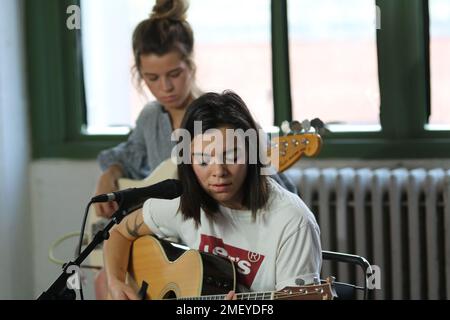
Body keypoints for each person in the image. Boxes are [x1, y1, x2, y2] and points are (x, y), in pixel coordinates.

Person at [104, 91, 322, 300]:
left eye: (232, 156)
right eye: (203, 160)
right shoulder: (187, 204)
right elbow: (119, 232)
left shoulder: (293, 221)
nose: (219, 171)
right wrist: (115, 282)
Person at [94, 0, 296, 219]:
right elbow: (127, 156)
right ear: (140, 74)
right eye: (152, 78)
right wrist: (110, 174)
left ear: (190, 65)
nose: (165, 87)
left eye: (174, 74)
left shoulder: (222, 116)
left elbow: (284, 196)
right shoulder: (150, 117)